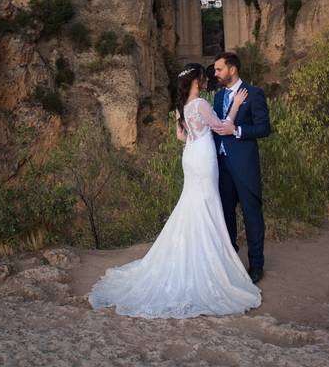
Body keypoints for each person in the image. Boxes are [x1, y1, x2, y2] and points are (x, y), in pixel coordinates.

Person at [86, 63, 262, 318]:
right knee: (205, 203)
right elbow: (221, 126)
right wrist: (235, 107)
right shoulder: (200, 104)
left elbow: (181, 137)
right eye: (203, 77)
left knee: (192, 203)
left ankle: (196, 253)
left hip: (190, 154)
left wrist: (196, 135)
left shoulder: (182, 106)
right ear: (196, 80)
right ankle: (210, 264)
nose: (206, 80)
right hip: (203, 156)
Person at [210, 51, 271, 284]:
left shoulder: (254, 94)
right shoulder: (217, 97)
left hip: (245, 166)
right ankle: (231, 262)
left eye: (219, 69)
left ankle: (256, 266)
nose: (216, 74)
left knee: (251, 214)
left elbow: (264, 128)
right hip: (221, 165)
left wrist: (236, 131)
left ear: (232, 69)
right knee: (225, 215)